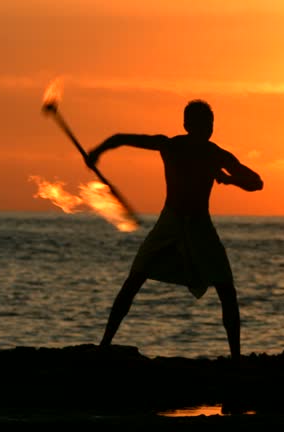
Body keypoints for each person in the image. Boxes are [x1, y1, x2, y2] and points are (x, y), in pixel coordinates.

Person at [85, 100, 263, 360]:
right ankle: (104, 345)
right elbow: (121, 138)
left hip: (200, 225)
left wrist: (230, 179)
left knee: (226, 289)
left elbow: (256, 183)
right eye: (202, 124)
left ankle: (235, 358)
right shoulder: (173, 146)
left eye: (210, 125)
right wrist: (97, 152)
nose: (207, 129)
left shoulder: (215, 154)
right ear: (188, 125)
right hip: (170, 222)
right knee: (134, 279)